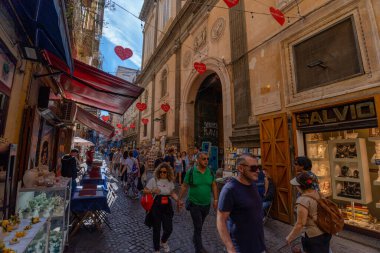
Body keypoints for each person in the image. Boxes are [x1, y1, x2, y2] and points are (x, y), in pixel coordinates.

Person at [217, 154, 266, 253]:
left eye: (259, 167)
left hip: (259, 245)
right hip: (240, 248)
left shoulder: (253, 184)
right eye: (254, 168)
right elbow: (221, 220)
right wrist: (230, 248)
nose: (258, 171)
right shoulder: (230, 189)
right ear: (240, 168)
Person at [178, 152, 218, 253]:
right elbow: (184, 186)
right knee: (198, 226)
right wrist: (179, 199)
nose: (206, 161)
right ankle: (199, 249)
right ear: (198, 160)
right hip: (194, 204)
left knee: (200, 225)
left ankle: (195, 238)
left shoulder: (210, 172)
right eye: (204, 159)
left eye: (207, 159)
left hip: (206, 204)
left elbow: (213, 185)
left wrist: (216, 200)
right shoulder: (191, 172)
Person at [286, 172, 331, 253]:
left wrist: (290, 237)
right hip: (325, 231)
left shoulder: (302, 200)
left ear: (299, 186)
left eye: (296, 185)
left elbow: (300, 223)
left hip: (313, 236)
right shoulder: (318, 193)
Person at [143, 163, 179, 253]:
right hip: (156, 205)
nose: (162, 173)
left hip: (167, 206)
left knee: (169, 228)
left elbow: (172, 193)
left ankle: (163, 241)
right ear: (158, 172)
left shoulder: (170, 182)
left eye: (165, 172)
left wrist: (178, 200)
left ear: (168, 173)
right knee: (156, 229)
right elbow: (144, 191)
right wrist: (152, 190)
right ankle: (156, 249)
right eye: (161, 172)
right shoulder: (154, 180)